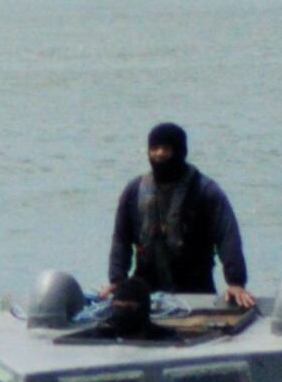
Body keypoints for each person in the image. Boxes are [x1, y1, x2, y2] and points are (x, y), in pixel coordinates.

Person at [105, 121, 251, 312]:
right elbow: (121, 239)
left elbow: (228, 237)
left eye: (165, 149)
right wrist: (117, 281)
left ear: (180, 151)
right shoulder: (134, 191)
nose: (158, 154)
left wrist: (236, 282)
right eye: (154, 149)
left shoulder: (206, 192)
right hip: (145, 291)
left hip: (197, 290)